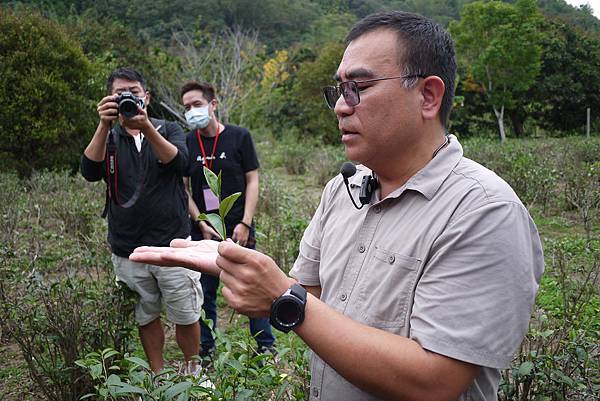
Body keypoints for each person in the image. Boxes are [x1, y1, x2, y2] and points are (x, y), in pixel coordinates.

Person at [130, 11, 544, 401]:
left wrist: (281, 298)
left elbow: (435, 381)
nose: (341, 106)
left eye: (358, 88)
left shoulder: (484, 213)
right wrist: (247, 272)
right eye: (339, 90)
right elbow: (307, 291)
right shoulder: (343, 189)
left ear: (428, 96)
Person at [80, 67, 203, 374]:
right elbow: (89, 171)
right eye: (121, 93)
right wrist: (103, 125)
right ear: (109, 98)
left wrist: (147, 127)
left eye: (134, 92)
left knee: (186, 314)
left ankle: (193, 370)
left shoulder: (168, 128)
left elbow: (181, 164)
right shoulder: (108, 137)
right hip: (128, 249)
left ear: (146, 96)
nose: (129, 98)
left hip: (173, 244)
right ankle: (158, 374)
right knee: (145, 316)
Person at [180, 81, 275, 360]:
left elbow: (252, 179)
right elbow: (183, 187)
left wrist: (245, 222)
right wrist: (200, 222)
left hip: (238, 227)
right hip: (203, 230)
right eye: (186, 107)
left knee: (251, 286)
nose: (192, 111)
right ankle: (206, 350)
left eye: (197, 104)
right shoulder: (187, 141)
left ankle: (265, 347)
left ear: (213, 105)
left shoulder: (239, 137)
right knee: (204, 292)